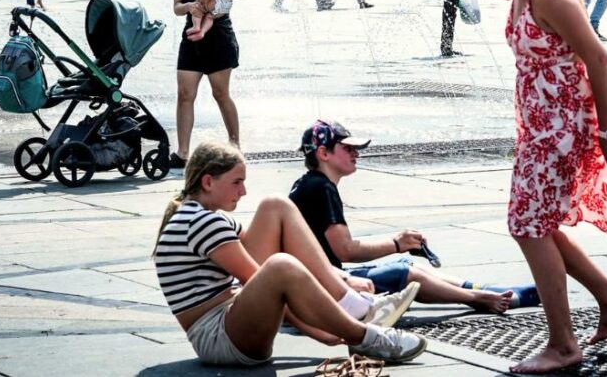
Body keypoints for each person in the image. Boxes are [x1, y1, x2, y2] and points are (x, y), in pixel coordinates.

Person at [458, 0, 607, 374]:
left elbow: (598, 58)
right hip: (540, 126)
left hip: (562, 126)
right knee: (536, 222)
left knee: (527, 224)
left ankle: (563, 343)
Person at [153, 141, 427, 366]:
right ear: (209, 182)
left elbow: (276, 243)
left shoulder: (199, 216)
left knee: (276, 206)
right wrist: (318, 331)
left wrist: (340, 277)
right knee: (281, 266)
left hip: (229, 324)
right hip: (220, 339)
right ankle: (365, 336)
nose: (244, 191)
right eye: (237, 182)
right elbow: (262, 280)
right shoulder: (202, 223)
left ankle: (353, 304)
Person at [288, 119, 541, 315]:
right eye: (348, 148)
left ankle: (483, 289)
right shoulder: (321, 188)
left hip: (322, 279)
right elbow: (346, 250)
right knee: (406, 274)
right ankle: (481, 299)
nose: (356, 153)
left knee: (411, 268)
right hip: (324, 286)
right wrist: (398, 244)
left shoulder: (310, 184)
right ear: (323, 153)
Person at [169, 0, 250, 165]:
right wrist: (191, 5)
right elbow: (177, 7)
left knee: (220, 93)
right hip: (191, 37)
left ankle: (235, 145)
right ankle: (182, 152)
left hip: (219, 36)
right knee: (184, 94)